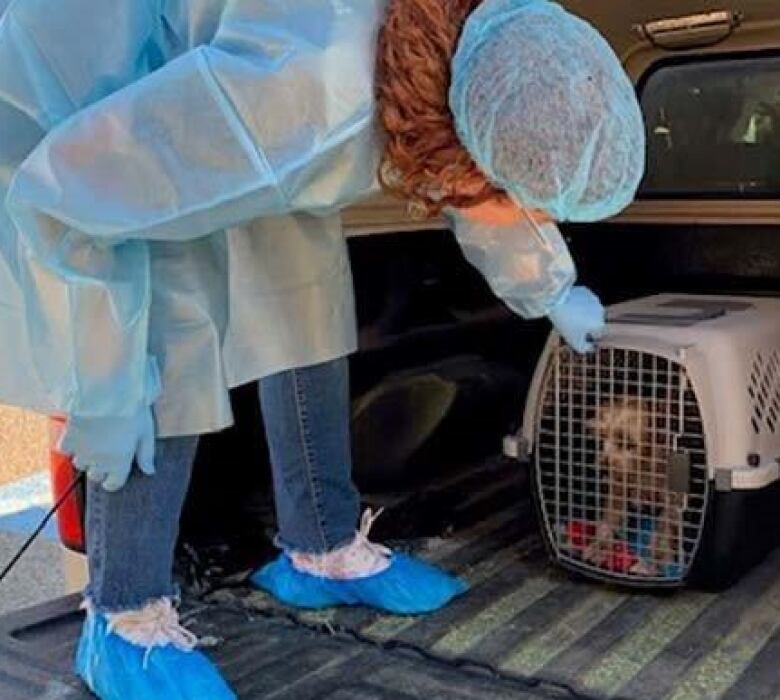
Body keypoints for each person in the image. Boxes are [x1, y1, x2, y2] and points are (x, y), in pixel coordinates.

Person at [0, 0, 645, 697]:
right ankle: (123, 616)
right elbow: (71, 196)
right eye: (535, 211)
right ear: (465, 161)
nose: (536, 223)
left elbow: (489, 161)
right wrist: (105, 387)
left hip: (215, 87)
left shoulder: (459, 53)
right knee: (167, 331)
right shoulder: (304, 99)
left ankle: (323, 547)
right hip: (74, 108)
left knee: (305, 291)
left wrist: (551, 288)